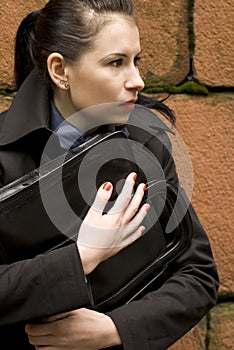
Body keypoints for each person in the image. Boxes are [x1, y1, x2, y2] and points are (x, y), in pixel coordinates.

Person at [0, 0, 219, 349]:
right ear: (60, 71)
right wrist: (82, 256)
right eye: (116, 63)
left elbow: (198, 276)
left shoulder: (146, 141)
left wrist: (114, 329)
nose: (138, 81)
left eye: (136, 61)